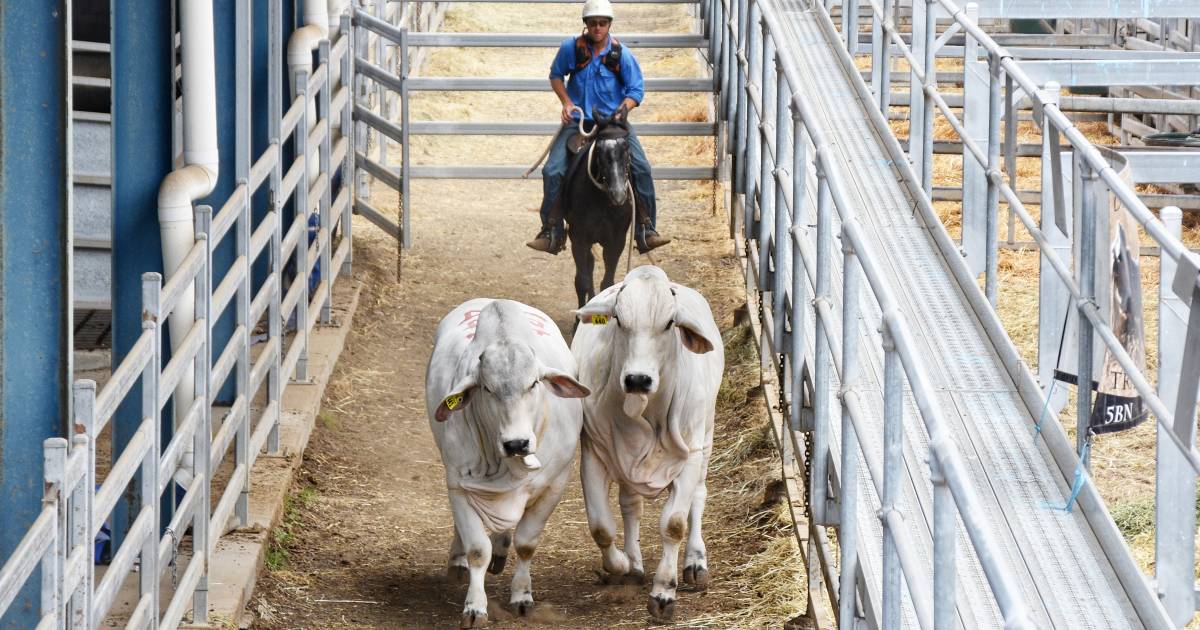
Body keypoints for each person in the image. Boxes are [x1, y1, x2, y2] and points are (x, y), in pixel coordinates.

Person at [526, 0, 671, 254]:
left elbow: (636, 90)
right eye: (592, 23)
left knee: (641, 168)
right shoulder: (571, 49)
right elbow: (556, 76)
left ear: (609, 25)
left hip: (614, 124)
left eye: (602, 23)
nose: (597, 28)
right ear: (586, 25)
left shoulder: (621, 54)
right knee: (552, 170)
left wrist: (623, 109)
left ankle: (646, 229)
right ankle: (552, 230)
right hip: (579, 122)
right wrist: (567, 103)